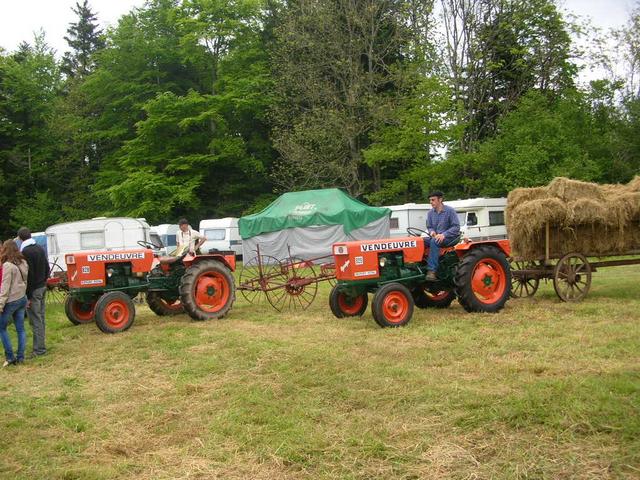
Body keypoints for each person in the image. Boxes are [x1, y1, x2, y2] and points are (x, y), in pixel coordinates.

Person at [17, 227, 50, 357]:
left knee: (35, 319)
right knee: (41, 318)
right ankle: (41, 345)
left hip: (34, 289)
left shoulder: (25, 252)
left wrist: (28, 296)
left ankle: (39, 349)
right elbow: (47, 268)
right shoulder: (40, 248)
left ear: (20, 238)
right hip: (42, 287)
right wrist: (44, 280)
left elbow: (29, 276)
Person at [0, 240, 29, 367]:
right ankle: (21, 357)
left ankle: (10, 357)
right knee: (20, 329)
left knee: (2, 328)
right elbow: (26, 281)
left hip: (11, 301)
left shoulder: (7, 265)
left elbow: (5, 288)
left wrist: (0, 305)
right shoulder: (23, 262)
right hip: (22, 298)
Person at [425, 191, 460, 280]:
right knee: (420, 241)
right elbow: (429, 227)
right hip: (436, 237)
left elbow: (456, 227)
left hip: (450, 237)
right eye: (430, 200)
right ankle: (419, 266)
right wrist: (432, 231)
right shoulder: (430, 213)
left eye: (433, 200)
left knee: (434, 241)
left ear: (440, 200)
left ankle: (432, 270)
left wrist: (444, 234)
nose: (431, 202)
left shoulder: (450, 211)